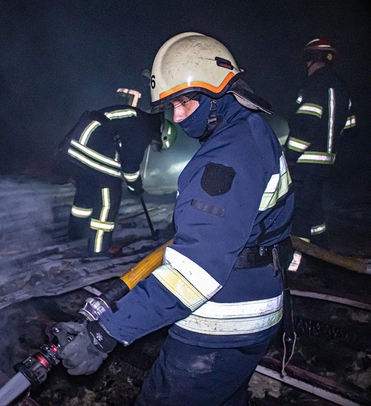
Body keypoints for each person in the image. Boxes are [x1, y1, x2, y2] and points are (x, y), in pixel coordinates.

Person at [51, 32, 295, 405]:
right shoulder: (254, 130)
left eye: (184, 102)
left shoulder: (221, 162)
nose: (178, 117)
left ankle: (91, 244)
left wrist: (105, 333)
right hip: (259, 307)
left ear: (217, 91)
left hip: (219, 326)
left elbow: (192, 276)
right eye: (172, 107)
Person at [58, 89, 175, 256]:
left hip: (77, 144)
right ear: (161, 135)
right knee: (110, 195)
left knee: (86, 190)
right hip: (91, 145)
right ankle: (99, 249)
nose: (152, 145)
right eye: (156, 144)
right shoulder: (142, 128)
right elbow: (130, 166)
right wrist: (136, 188)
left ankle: (76, 234)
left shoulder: (138, 118)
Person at [285, 38, 357, 270]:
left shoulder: (314, 84)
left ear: (309, 59)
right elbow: (350, 126)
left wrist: (289, 156)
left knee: (298, 217)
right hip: (327, 163)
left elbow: (306, 123)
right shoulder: (341, 86)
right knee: (316, 215)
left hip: (306, 163)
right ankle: (323, 259)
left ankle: (297, 269)